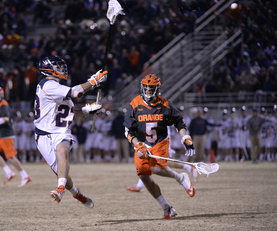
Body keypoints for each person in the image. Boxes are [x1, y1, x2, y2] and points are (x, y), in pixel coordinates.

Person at [34, 56, 107, 206]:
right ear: (48, 69)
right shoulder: (48, 85)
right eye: (57, 67)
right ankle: (75, 192)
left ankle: (60, 189)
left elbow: (67, 114)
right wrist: (94, 81)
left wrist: (87, 111)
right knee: (61, 172)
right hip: (43, 135)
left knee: (63, 151)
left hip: (61, 132)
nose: (61, 69)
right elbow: (75, 92)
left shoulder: (56, 88)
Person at [123, 74, 196, 220]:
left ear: (158, 89)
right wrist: (137, 144)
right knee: (144, 175)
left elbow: (179, 122)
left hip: (160, 141)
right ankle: (166, 207)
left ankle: (181, 178)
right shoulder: (135, 104)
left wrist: (185, 137)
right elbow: (128, 131)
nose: (148, 91)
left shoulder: (165, 105)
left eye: (151, 88)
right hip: (142, 143)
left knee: (156, 169)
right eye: (146, 88)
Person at [0, 87, 31, 187]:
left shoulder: (3, 104)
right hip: (1, 134)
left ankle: (25, 176)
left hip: (6, 135)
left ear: (2, 95)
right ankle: (9, 173)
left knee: (11, 157)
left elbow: (5, 118)